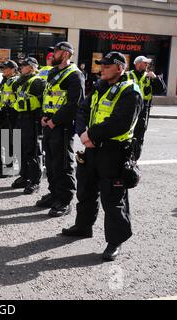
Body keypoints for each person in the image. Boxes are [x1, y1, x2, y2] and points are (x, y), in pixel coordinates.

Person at [62, 52, 143, 261]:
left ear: (119, 68)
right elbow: (82, 109)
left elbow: (121, 122)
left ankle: (115, 241)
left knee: (113, 199)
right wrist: (82, 133)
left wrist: (92, 134)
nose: (102, 69)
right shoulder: (99, 87)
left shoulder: (130, 91)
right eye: (101, 65)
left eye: (107, 66)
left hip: (114, 151)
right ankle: (83, 226)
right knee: (86, 189)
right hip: (92, 148)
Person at [36, 41, 85, 217]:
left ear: (65, 54)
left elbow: (75, 104)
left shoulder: (75, 75)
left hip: (61, 126)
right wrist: (43, 115)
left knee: (63, 164)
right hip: (48, 123)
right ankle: (54, 194)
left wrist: (55, 120)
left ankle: (64, 201)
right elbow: (47, 96)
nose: (52, 55)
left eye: (55, 52)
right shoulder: (53, 72)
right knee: (50, 163)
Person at [11, 57, 46, 194]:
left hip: (31, 120)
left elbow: (42, 103)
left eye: (24, 66)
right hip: (20, 118)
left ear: (32, 67)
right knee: (20, 149)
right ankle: (24, 176)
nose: (21, 67)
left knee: (31, 151)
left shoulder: (38, 82)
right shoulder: (21, 81)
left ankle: (35, 181)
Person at [127, 56, 167, 160]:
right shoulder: (127, 75)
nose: (147, 65)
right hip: (128, 109)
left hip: (143, 110)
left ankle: (134, 160)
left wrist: (156, 78)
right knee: (126, 135)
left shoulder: (150, 76)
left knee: (139, 137)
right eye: (145, 63)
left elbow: (162, 90)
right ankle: (124, 158)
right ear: (138, 64)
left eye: (147, 63)